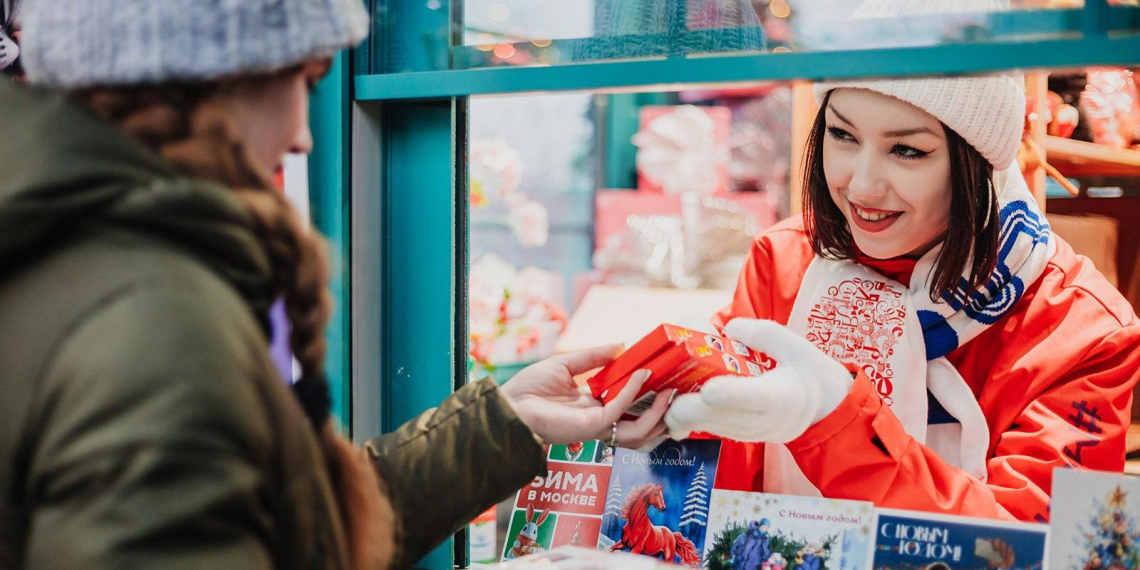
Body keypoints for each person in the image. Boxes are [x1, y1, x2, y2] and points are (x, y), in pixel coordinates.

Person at [0, 1, 668, 568]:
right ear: (213, 80)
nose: (302, 137)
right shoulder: (156, 316)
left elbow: (284, 527)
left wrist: (506, 424)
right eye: (305, 77)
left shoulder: (70, 259)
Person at [664, 0, 1140, 523]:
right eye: (843, 135)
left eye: (907, 151)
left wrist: (838, 425)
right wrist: (655, 409)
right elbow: (712, 498)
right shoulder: (784, 260)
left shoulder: (1081, 329)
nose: (862, 186)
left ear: (976, 160)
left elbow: (1031, 543)